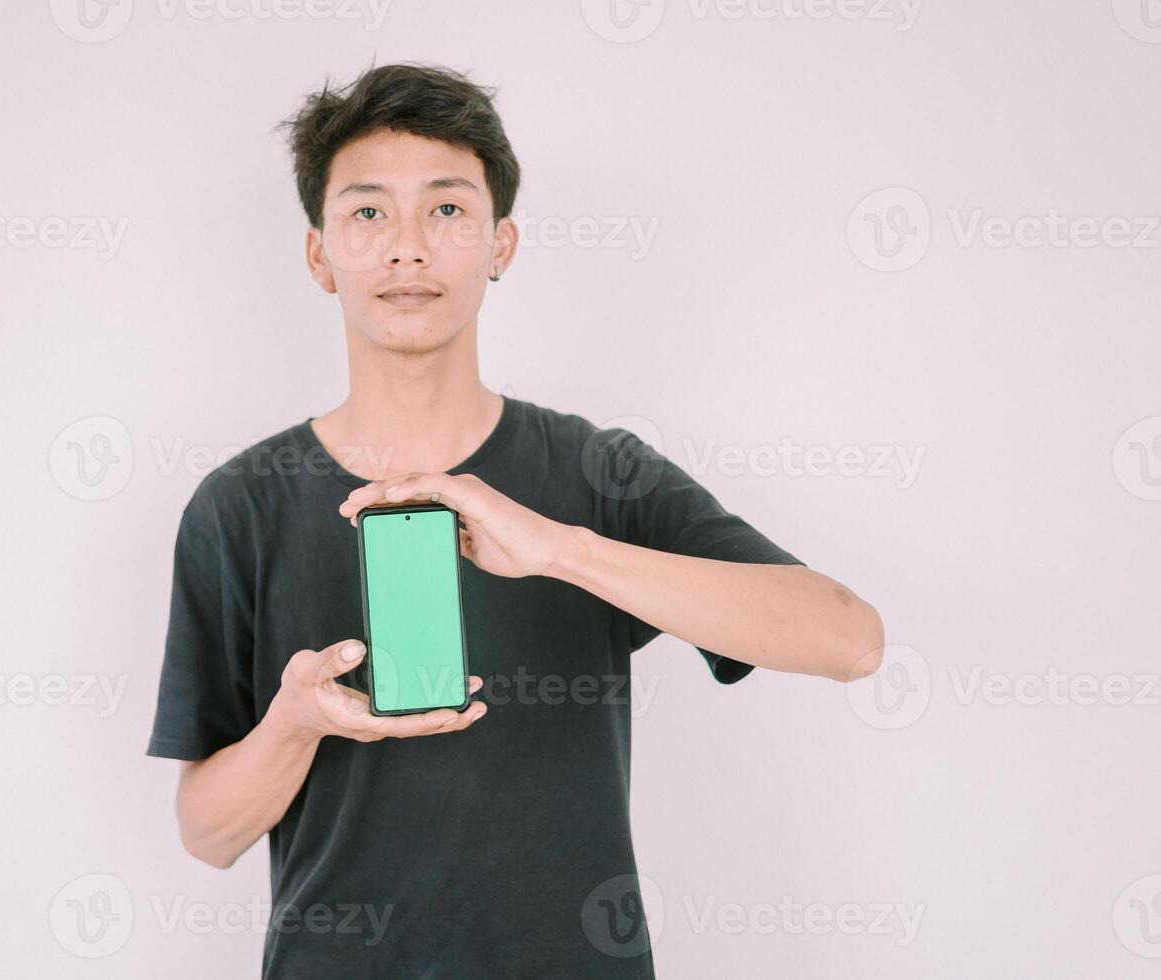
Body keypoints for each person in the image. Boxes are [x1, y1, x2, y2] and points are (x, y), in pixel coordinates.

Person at [146, 61, 884, 979]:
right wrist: (294, 724)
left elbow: (851, 641)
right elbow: (206, 836)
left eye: (447, 209)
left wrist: (562, 548)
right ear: (319, 255)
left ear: (501, 244)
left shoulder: (597, 472)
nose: (408, 247)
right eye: (368, 211)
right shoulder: (238, 506)